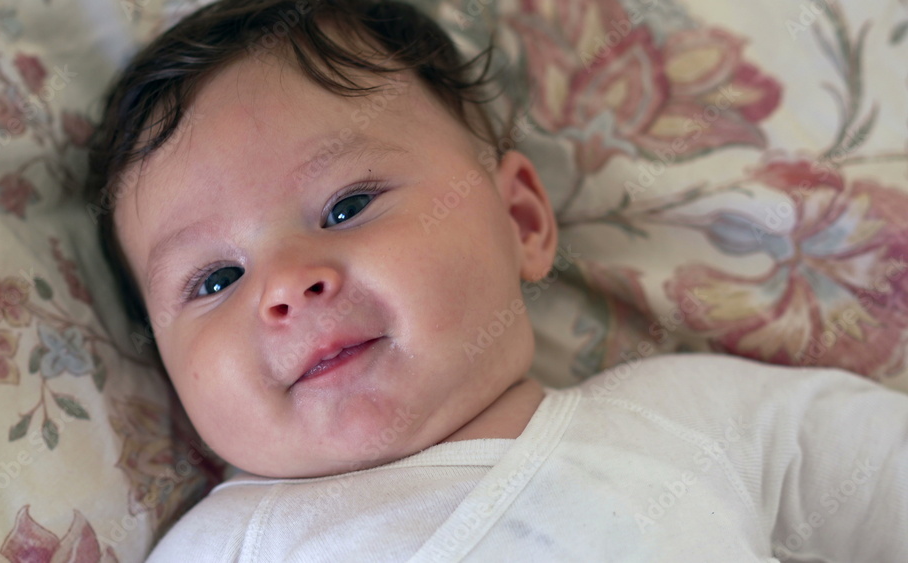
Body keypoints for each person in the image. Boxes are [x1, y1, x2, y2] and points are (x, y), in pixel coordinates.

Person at [85, 0, 908, 560]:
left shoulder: (685, 414)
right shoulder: (230, 544)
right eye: (216, 278)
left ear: (520, 220)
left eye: (346, 206)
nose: (287, 285)